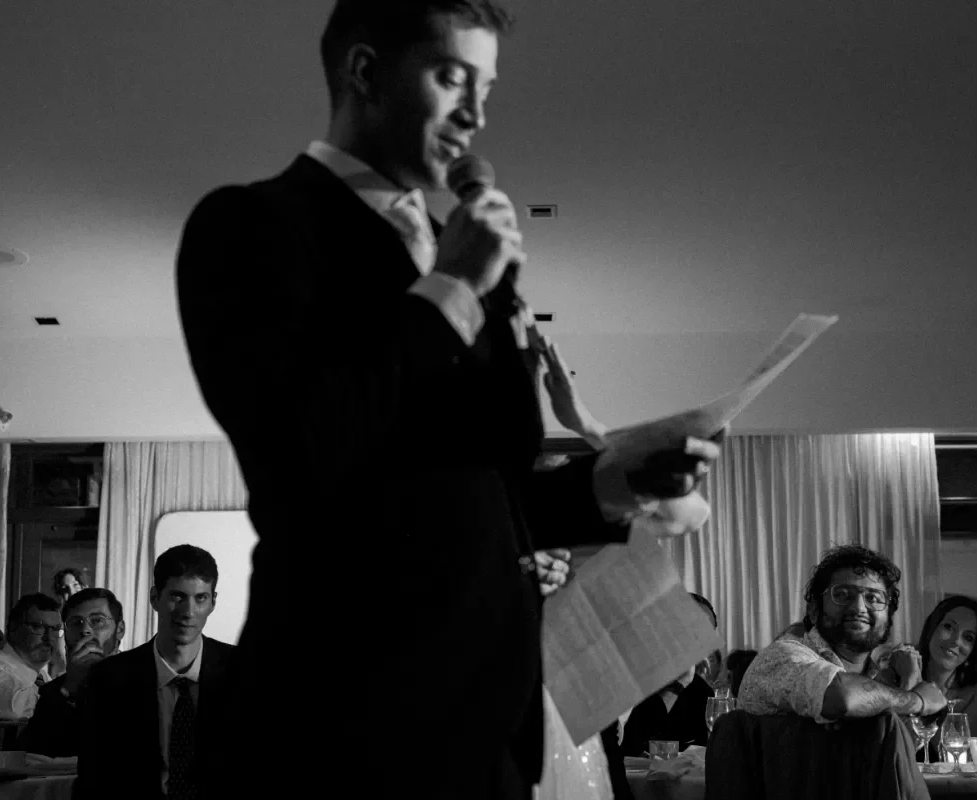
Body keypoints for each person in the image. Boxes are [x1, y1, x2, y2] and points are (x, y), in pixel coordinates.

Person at [174, 3, 719, 797]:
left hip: (489, 736)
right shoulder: (252, 225)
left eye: (486, 89)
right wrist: (453, 288)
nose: (477, 115)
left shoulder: (469, 261)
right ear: (365, 72)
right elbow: (300, 451)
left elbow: (490, 494)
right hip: (336, 718)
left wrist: (615, 480)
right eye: (452, 78)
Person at [75, 546, 234, 800]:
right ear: (154, 597)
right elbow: (93, 779)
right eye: (178, 597)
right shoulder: (110, 678)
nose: (188, 612)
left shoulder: (242, 672)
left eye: (200, 598)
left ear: (213, 602)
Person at [738, 544, 948, 723]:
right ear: (814, 610)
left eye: (873, 598)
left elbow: (895, 750)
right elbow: (841, 696)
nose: (859, 608)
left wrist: (909, 681)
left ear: (889, 617)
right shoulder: (782, 657)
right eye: (842, 595)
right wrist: (916, 700)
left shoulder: (878, 679)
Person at [21, 588, 126, 757]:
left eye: (97, 621)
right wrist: (70, 687)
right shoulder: (55, 691)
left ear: (120, 629)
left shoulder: (144, 679)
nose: (85, 630)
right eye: (76, 623)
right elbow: (32, 753)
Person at [620, 593, 718, 756]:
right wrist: (677, 687)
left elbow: (704, 754)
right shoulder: (632, 676)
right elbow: (628, 745)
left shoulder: (701, 691)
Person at [914, 596, 977, 737]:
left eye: (968, 637)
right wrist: (910, 680)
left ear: (973, 650)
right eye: (949, 627)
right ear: (932, 627)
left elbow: (955, 746)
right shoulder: (899, 670)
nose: (956, 641)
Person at [0, 594, 60, 719]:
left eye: (55, 629)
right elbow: (19, 712)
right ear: (13, 627)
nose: (49, 637)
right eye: (38, 627)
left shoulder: (42, 676)